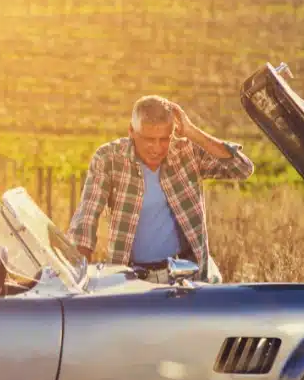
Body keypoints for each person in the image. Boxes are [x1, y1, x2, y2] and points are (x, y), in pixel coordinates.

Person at [67, 95, 254, 283]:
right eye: (149, 139)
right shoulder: (108, 159)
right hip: (130, 279)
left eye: (164, 139)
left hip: (186, 276)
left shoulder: (186, 152)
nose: (157, 148)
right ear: (131, 131)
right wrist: (78, 276)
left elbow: (242, 168)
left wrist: (191, 131)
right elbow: (86, 217)